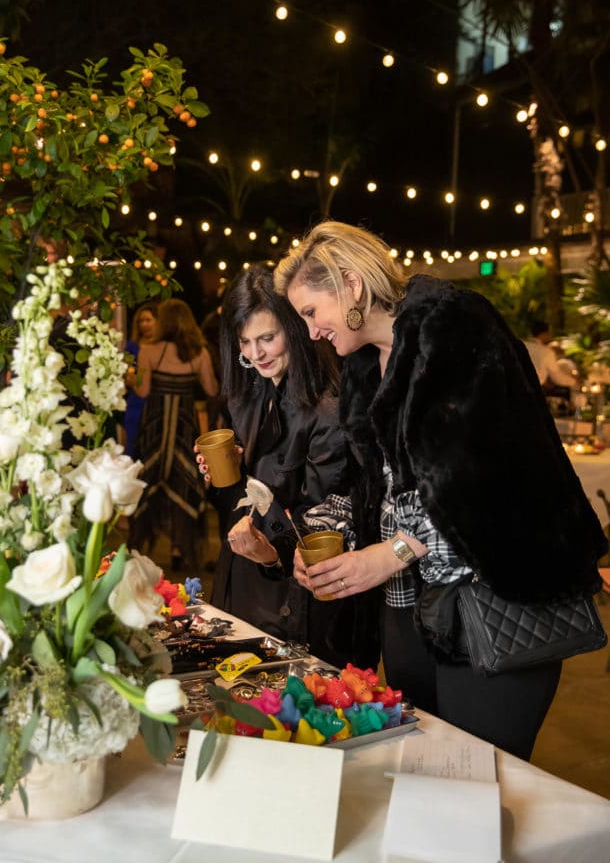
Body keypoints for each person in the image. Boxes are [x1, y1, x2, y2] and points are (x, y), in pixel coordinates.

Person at [274, 220, 607, 760]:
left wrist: (394, 551)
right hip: (412, 608)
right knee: (426, 773)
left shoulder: (454, 324)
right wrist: (325, 535)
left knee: (480, 783)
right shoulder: (364, 362)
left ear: (351, 285)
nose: (311, 332)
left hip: (497, 597)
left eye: (312, 312)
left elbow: (489, 479)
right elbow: (376, 485)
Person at [197, 265, 365, 667]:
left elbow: (320, 526)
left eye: (267, 339)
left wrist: (270, 552)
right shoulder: (247, 396)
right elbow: (233, 503)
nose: (256, 355)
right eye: (246, 343)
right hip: (244, 574)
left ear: (294, 329)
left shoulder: (327, 409)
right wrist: (222, 478)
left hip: (300, 597)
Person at [129, 298, 218, 569]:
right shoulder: (198, 353)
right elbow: (212, 390)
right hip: (183, 429)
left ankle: (136, 549)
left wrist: (131, 378)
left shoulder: (148, 350)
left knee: (146, 486)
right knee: (184, 485)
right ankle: (183, 550)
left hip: (154, 430)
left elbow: (143, 391)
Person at [123, 302, 161, 458]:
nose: (144, 324)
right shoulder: (132, 346)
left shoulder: (161, 346)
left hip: (156, 398)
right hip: (136, 400)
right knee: (133, 439)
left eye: (148, 320)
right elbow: (125, 374)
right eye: (140, 321)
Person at [524, 320, 580, 391]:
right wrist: (574, 381)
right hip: (531, 389)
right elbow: (557, 377)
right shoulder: (546, 352)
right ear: (545, 334)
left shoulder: (520, 345)